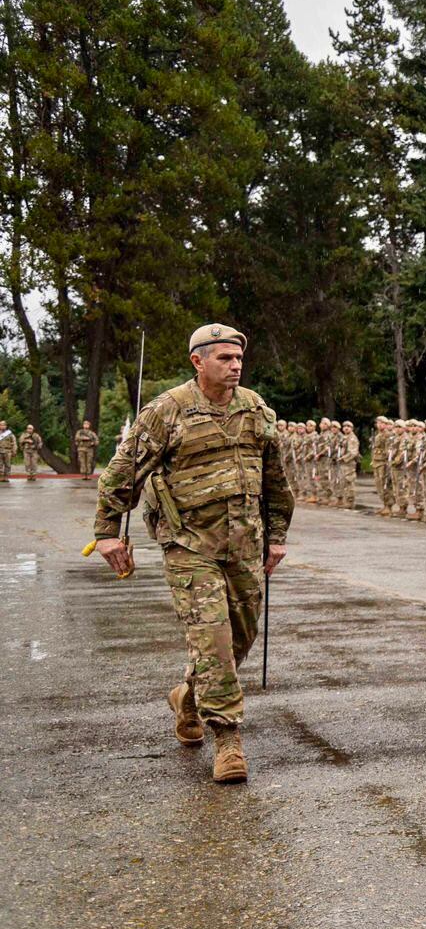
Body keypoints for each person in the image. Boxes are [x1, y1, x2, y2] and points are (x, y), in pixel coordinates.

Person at [91, 323, 293, 783]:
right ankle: (227, 739)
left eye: (239, 357)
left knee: (241, 636)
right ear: (197, 362)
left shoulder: (255, 409)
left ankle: (187, 696)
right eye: (224, 358)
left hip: (243, 545)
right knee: (214, 640)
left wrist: (276, 535)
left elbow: (275, 481)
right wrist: (107, 532)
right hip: (189, 545)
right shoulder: (168, 411)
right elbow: (122, 472)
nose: (235, 365)